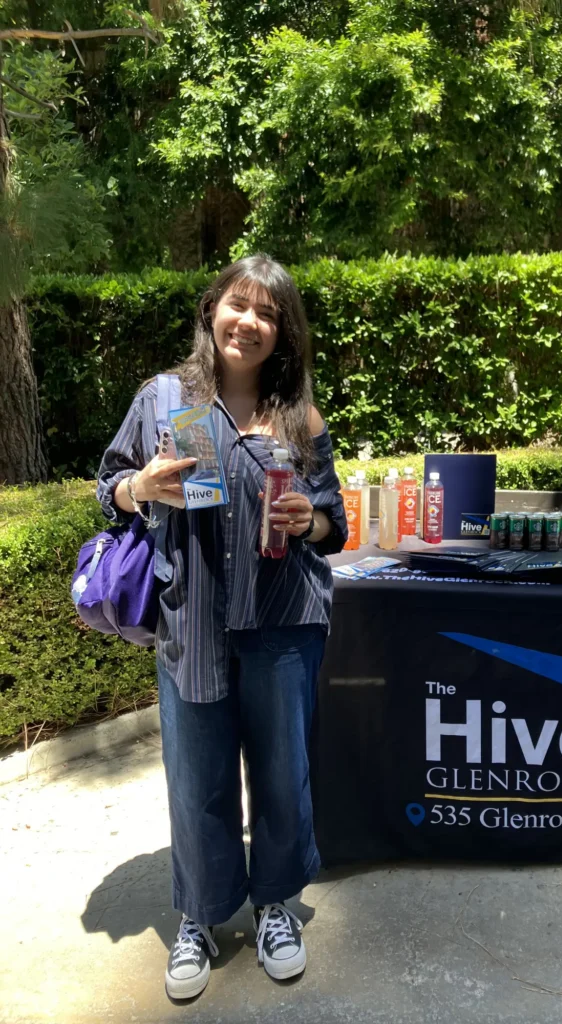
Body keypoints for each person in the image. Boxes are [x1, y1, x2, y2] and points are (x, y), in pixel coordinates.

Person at [96, 255, 348, 1000]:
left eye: (268, 314)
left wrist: (312, 519)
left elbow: (336, 523)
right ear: (213, 309)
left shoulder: (299, 414)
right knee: (198, 781)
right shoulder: (165, 398)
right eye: (240, 305)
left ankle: (275, 905)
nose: (251, 323)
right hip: (195, 620)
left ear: (284, 332)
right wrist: (139, 486)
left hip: (282, 621)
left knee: (281, 775)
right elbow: (107, 489)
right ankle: (201, 917)